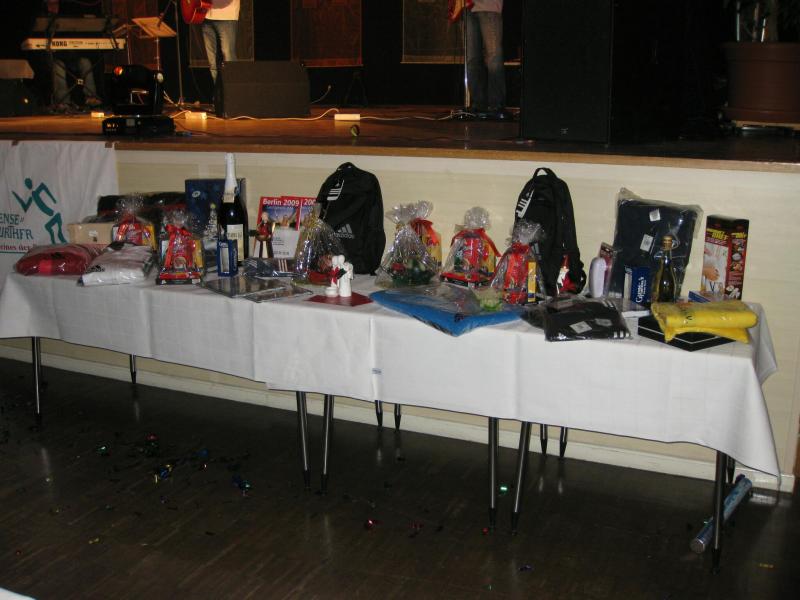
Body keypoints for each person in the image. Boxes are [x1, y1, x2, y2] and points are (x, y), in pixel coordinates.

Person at [44, 0, 103, 112]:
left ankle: (91, 98)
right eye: (50, 5)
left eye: (55, 4)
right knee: (58, 66)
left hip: (70, 56)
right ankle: (63, 102)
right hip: (56, 57)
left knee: (85, 62)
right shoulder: (44, 20)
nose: (53, 8)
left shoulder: (65, 17)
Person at [465, 0, 509, 120]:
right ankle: (478, 104)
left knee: (493, 58)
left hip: (489, 6)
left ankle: (496, 105)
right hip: (467, 8)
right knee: (472, 60)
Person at [202, 0, 240, 85]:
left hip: (226, 16)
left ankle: (233, 90)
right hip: (206, 15)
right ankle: (218, 90)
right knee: (212, 63)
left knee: (228, 58)